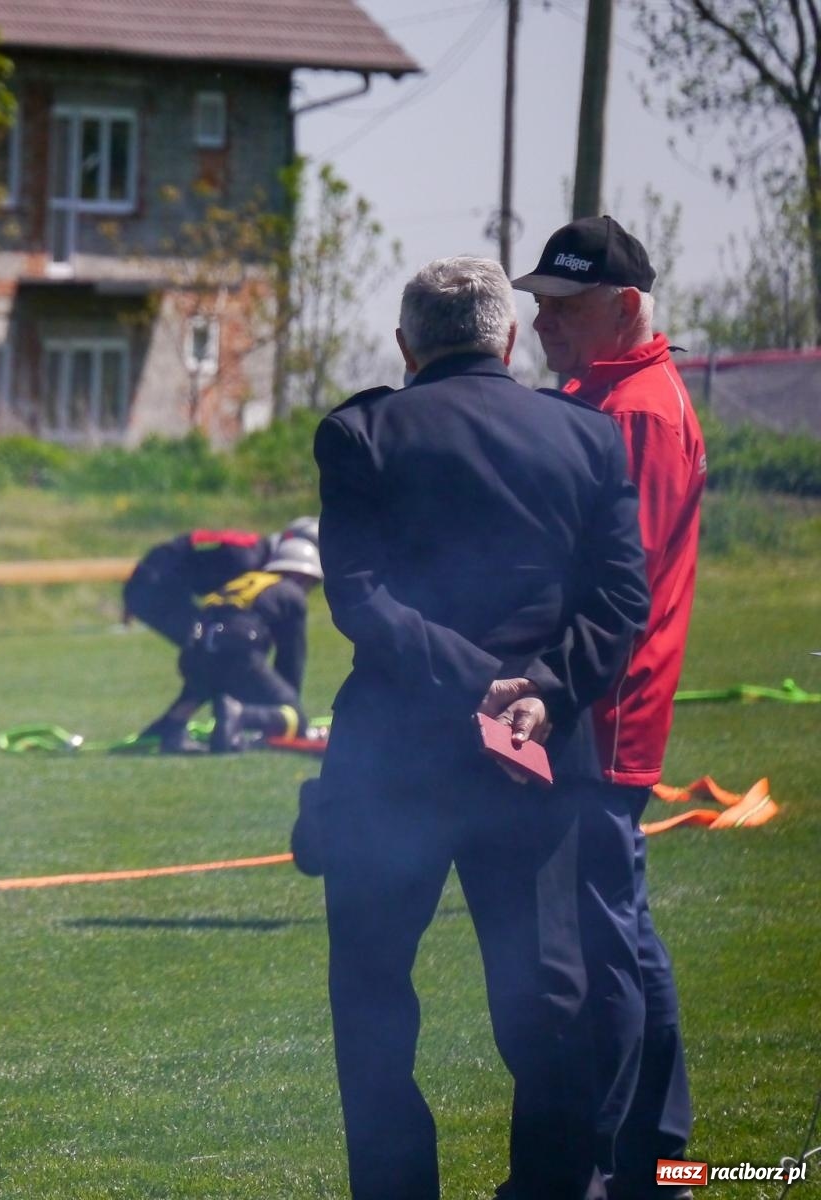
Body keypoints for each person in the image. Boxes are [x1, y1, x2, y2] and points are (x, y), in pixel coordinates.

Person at [314, 257, 650, 1200]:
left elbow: (360, 598)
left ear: (405, 345)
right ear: (507, 339)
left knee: (375, 999)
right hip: (535, 756)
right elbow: (624, 597)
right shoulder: (585, 436)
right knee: (547, 1001)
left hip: (397, 758)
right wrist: (536, 689)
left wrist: (477, 684)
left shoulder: (360, 431)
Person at [513, 215, 705, 1199]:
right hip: (589, 706)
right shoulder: (602, 394)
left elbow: (604, 592)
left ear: (624, 307)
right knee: (617, 925)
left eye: (563, 305)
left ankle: (641, 1156)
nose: (541, 321)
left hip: (602, 712)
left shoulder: (633, 412)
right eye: (536, 303)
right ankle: (656, 1150)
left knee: (608, 938)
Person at [126, 521, 314, 749]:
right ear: (303, 574)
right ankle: (239, 715)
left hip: (195, 648)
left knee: (211, 662)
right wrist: (287, 704)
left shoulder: (243, 579)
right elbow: (291, 655)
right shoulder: (286, 589)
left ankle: (172, 724)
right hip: (234, 650)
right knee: (291, 716)